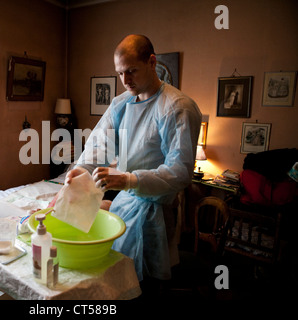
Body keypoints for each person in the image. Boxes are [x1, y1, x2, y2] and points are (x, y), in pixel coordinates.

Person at [64, 34, 202, 289]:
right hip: (125, 205)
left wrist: (129, 179)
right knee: (118, 278)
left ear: (152, 62)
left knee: (146, 284)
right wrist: (81, 169)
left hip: (156, 213)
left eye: (131, 71)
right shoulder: (121, 104)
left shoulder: (177, 108)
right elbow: (99, 145)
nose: (125, 80)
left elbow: (180, 171)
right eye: (119, 74)